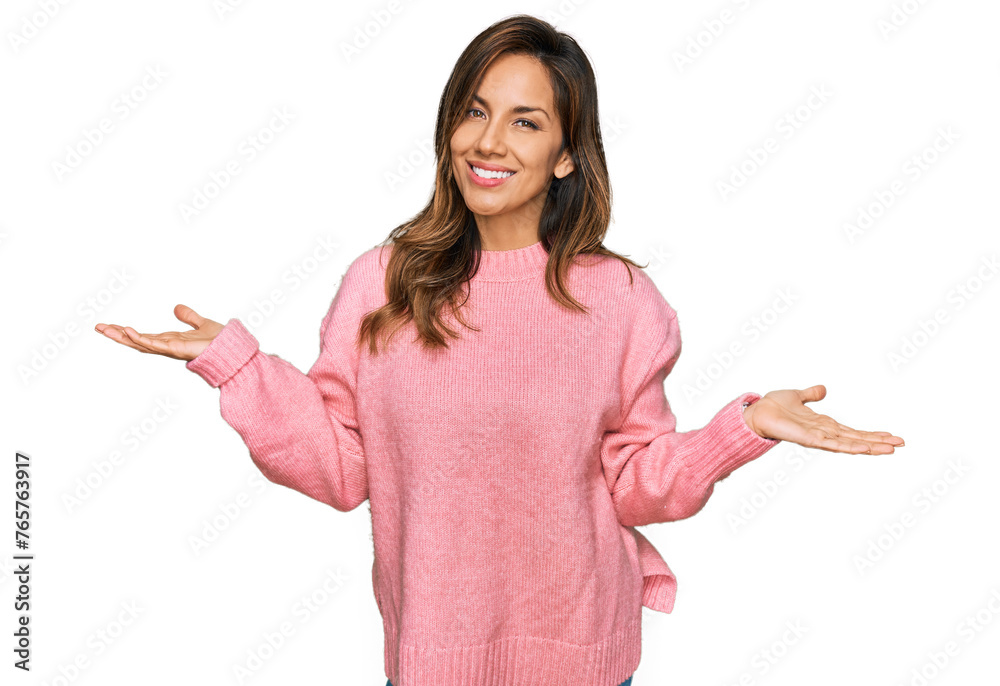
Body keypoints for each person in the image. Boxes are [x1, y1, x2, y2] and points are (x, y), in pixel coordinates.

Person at [95, 13, 903, 686]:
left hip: (585, 662)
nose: (489, 142)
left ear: (566, 154)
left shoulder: (621, 299)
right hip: (433, 661)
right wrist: (238, 366)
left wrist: (744, 427)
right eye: (475, 112)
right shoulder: (382, 283)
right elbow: (341, 466)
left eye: (526, 121)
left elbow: (634, 483)